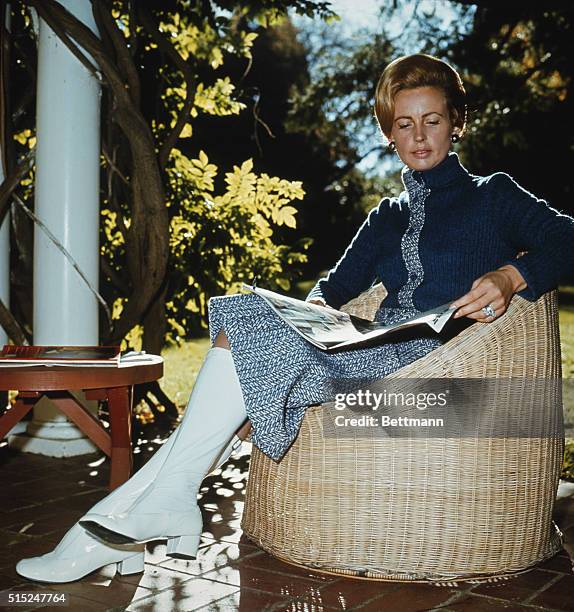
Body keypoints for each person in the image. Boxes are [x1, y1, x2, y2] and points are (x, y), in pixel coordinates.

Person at [16, 53, 574, 583]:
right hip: (368, 346)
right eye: (404, 124)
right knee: (245, 318)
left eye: (432, 120)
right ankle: (158, 507)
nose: (419, 136)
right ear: (389, 133)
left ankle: (112, 534)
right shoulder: (388, 215)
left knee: (238, 351)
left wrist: (511, 276)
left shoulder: (493, 196)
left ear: (457, 124)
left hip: (439, 354)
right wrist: (294, 325)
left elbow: (567, 237)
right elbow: (330, 291)